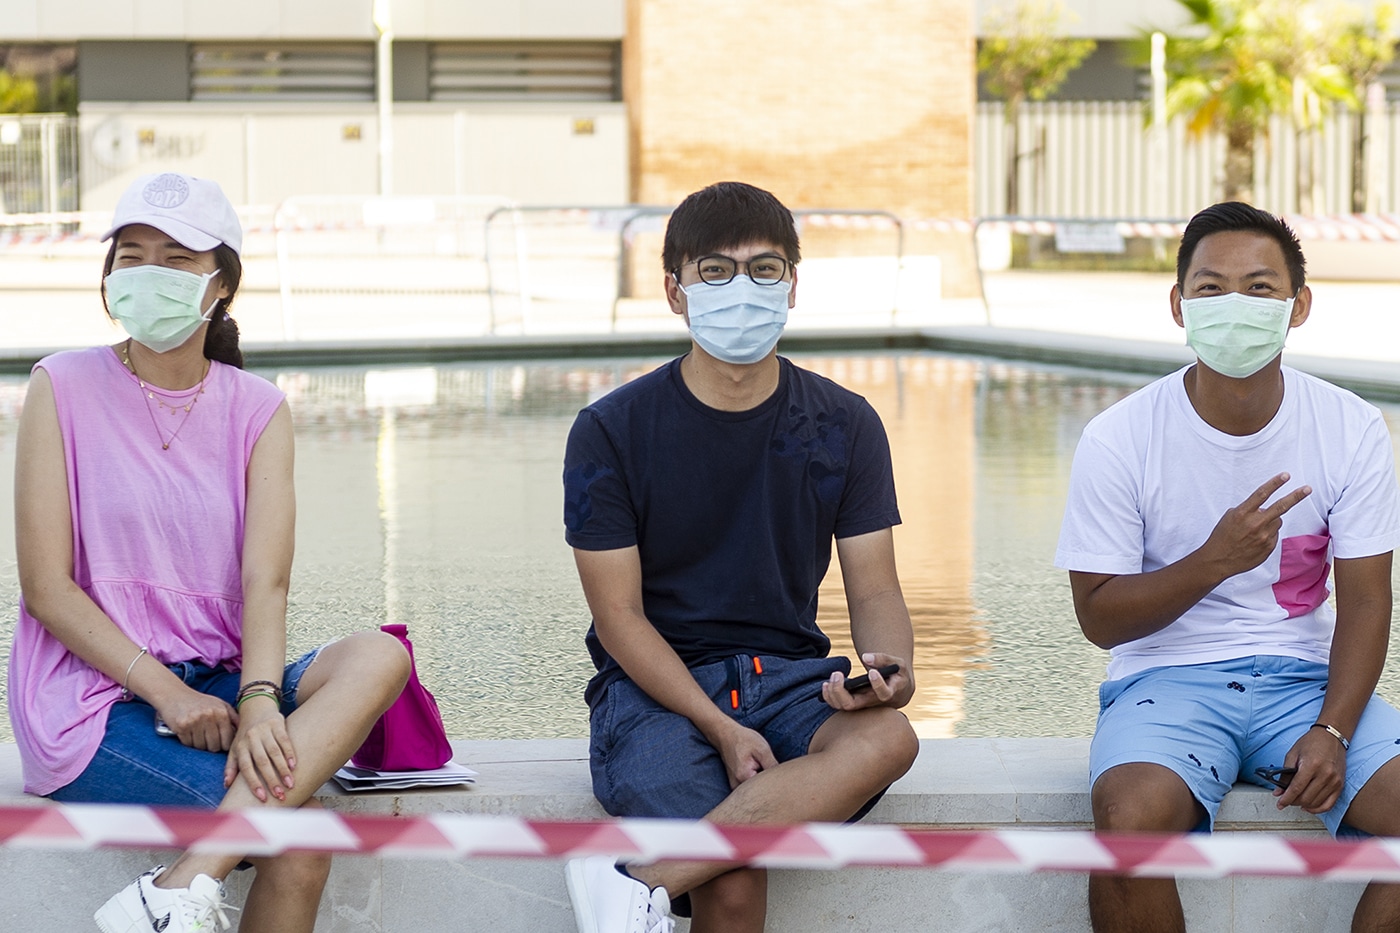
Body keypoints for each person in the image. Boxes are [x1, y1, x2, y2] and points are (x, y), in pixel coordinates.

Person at [9, 171, 411, 933]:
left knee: (379, 655)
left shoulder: (256, 409)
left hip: (225, 680)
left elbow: (267, 579)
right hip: (95, 699)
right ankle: (177, 891)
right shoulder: (60, 385)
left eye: (177, 257)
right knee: (298, 842)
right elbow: (46, 587)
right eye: (131, 255)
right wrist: (170, 694)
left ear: (221, 283)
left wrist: (258, 700)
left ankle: (181, 884)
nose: (148, 273)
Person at [560, 181, 920, 933]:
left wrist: (890, 670)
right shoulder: (610, 431)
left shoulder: (844, 424)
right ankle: (661, 882)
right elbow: (619, 616)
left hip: (789, 683)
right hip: (655, 691)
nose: (742, 289)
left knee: (890, 735)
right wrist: (718, 726)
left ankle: (636, 883)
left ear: (792, 287)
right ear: (674, 291)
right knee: (733, 875)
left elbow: (875, 585)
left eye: (764, 269)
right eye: (716, 271)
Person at [1056, 201, 1400, 932]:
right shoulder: (1119, 436)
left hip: (1305, 683)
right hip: (1165, 680)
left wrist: (1334, 730)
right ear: (1179, 304)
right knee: (1127, 823)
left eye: (1260, 287)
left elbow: (1367, 602)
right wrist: (1212, 562)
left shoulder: (1350, 426)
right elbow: (1097, 617)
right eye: (1210, 288)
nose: (1234, 306)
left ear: (1298, 305)